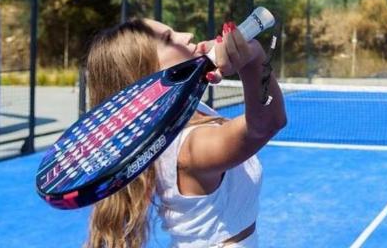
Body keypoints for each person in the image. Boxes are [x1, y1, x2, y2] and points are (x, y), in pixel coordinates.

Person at [83, 17, 286, 248]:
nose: (187, 35)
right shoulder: (190, 146)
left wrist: (213, 62)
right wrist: (253, 59)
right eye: (169, 39)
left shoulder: (180, 116)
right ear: (148, 73)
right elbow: (266, 124)